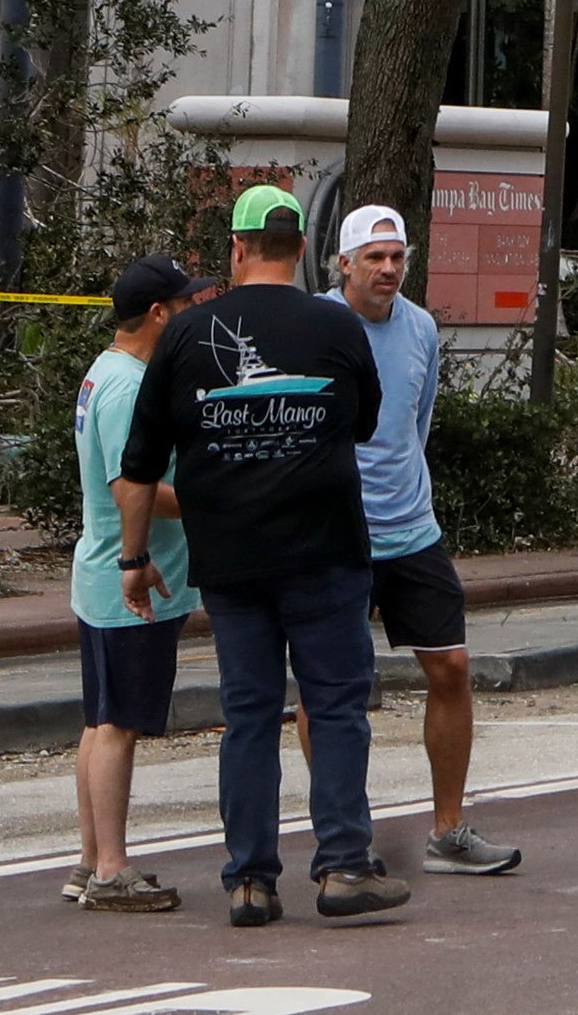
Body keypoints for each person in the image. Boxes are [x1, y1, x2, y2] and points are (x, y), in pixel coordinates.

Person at [117, 188, 401, 929]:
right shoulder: (335, 325)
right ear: (302, 248)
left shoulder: (185, 335)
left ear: (237, 249)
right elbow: (365, 421)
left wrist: (134, 556)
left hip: (230, 558)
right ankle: (342, 865)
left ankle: (248, 879)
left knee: (247, 715)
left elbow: (141, 462)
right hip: (326, 550)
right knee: (335, 708)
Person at [328, 201, 516, 875]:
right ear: (344, 262)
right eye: (374, 257)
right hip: (337, 533)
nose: (387, 269)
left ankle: (449, 828)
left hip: (412, 529)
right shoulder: (319, 324)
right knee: (332, 686)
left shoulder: (422, 328)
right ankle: (344, 832)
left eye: (397, 256)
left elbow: (417, 419)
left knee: (453, 667)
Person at [60, 254, 203, 912]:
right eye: (184, 305)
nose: (192, 313)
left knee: (100, 719)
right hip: (130, 577)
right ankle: (112, 866)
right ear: (158, 313)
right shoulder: (126, 386)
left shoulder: (107, 372)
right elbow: (129, 486)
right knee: (118, 723)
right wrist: (211, 499)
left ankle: (91, 860)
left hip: (104, 573)